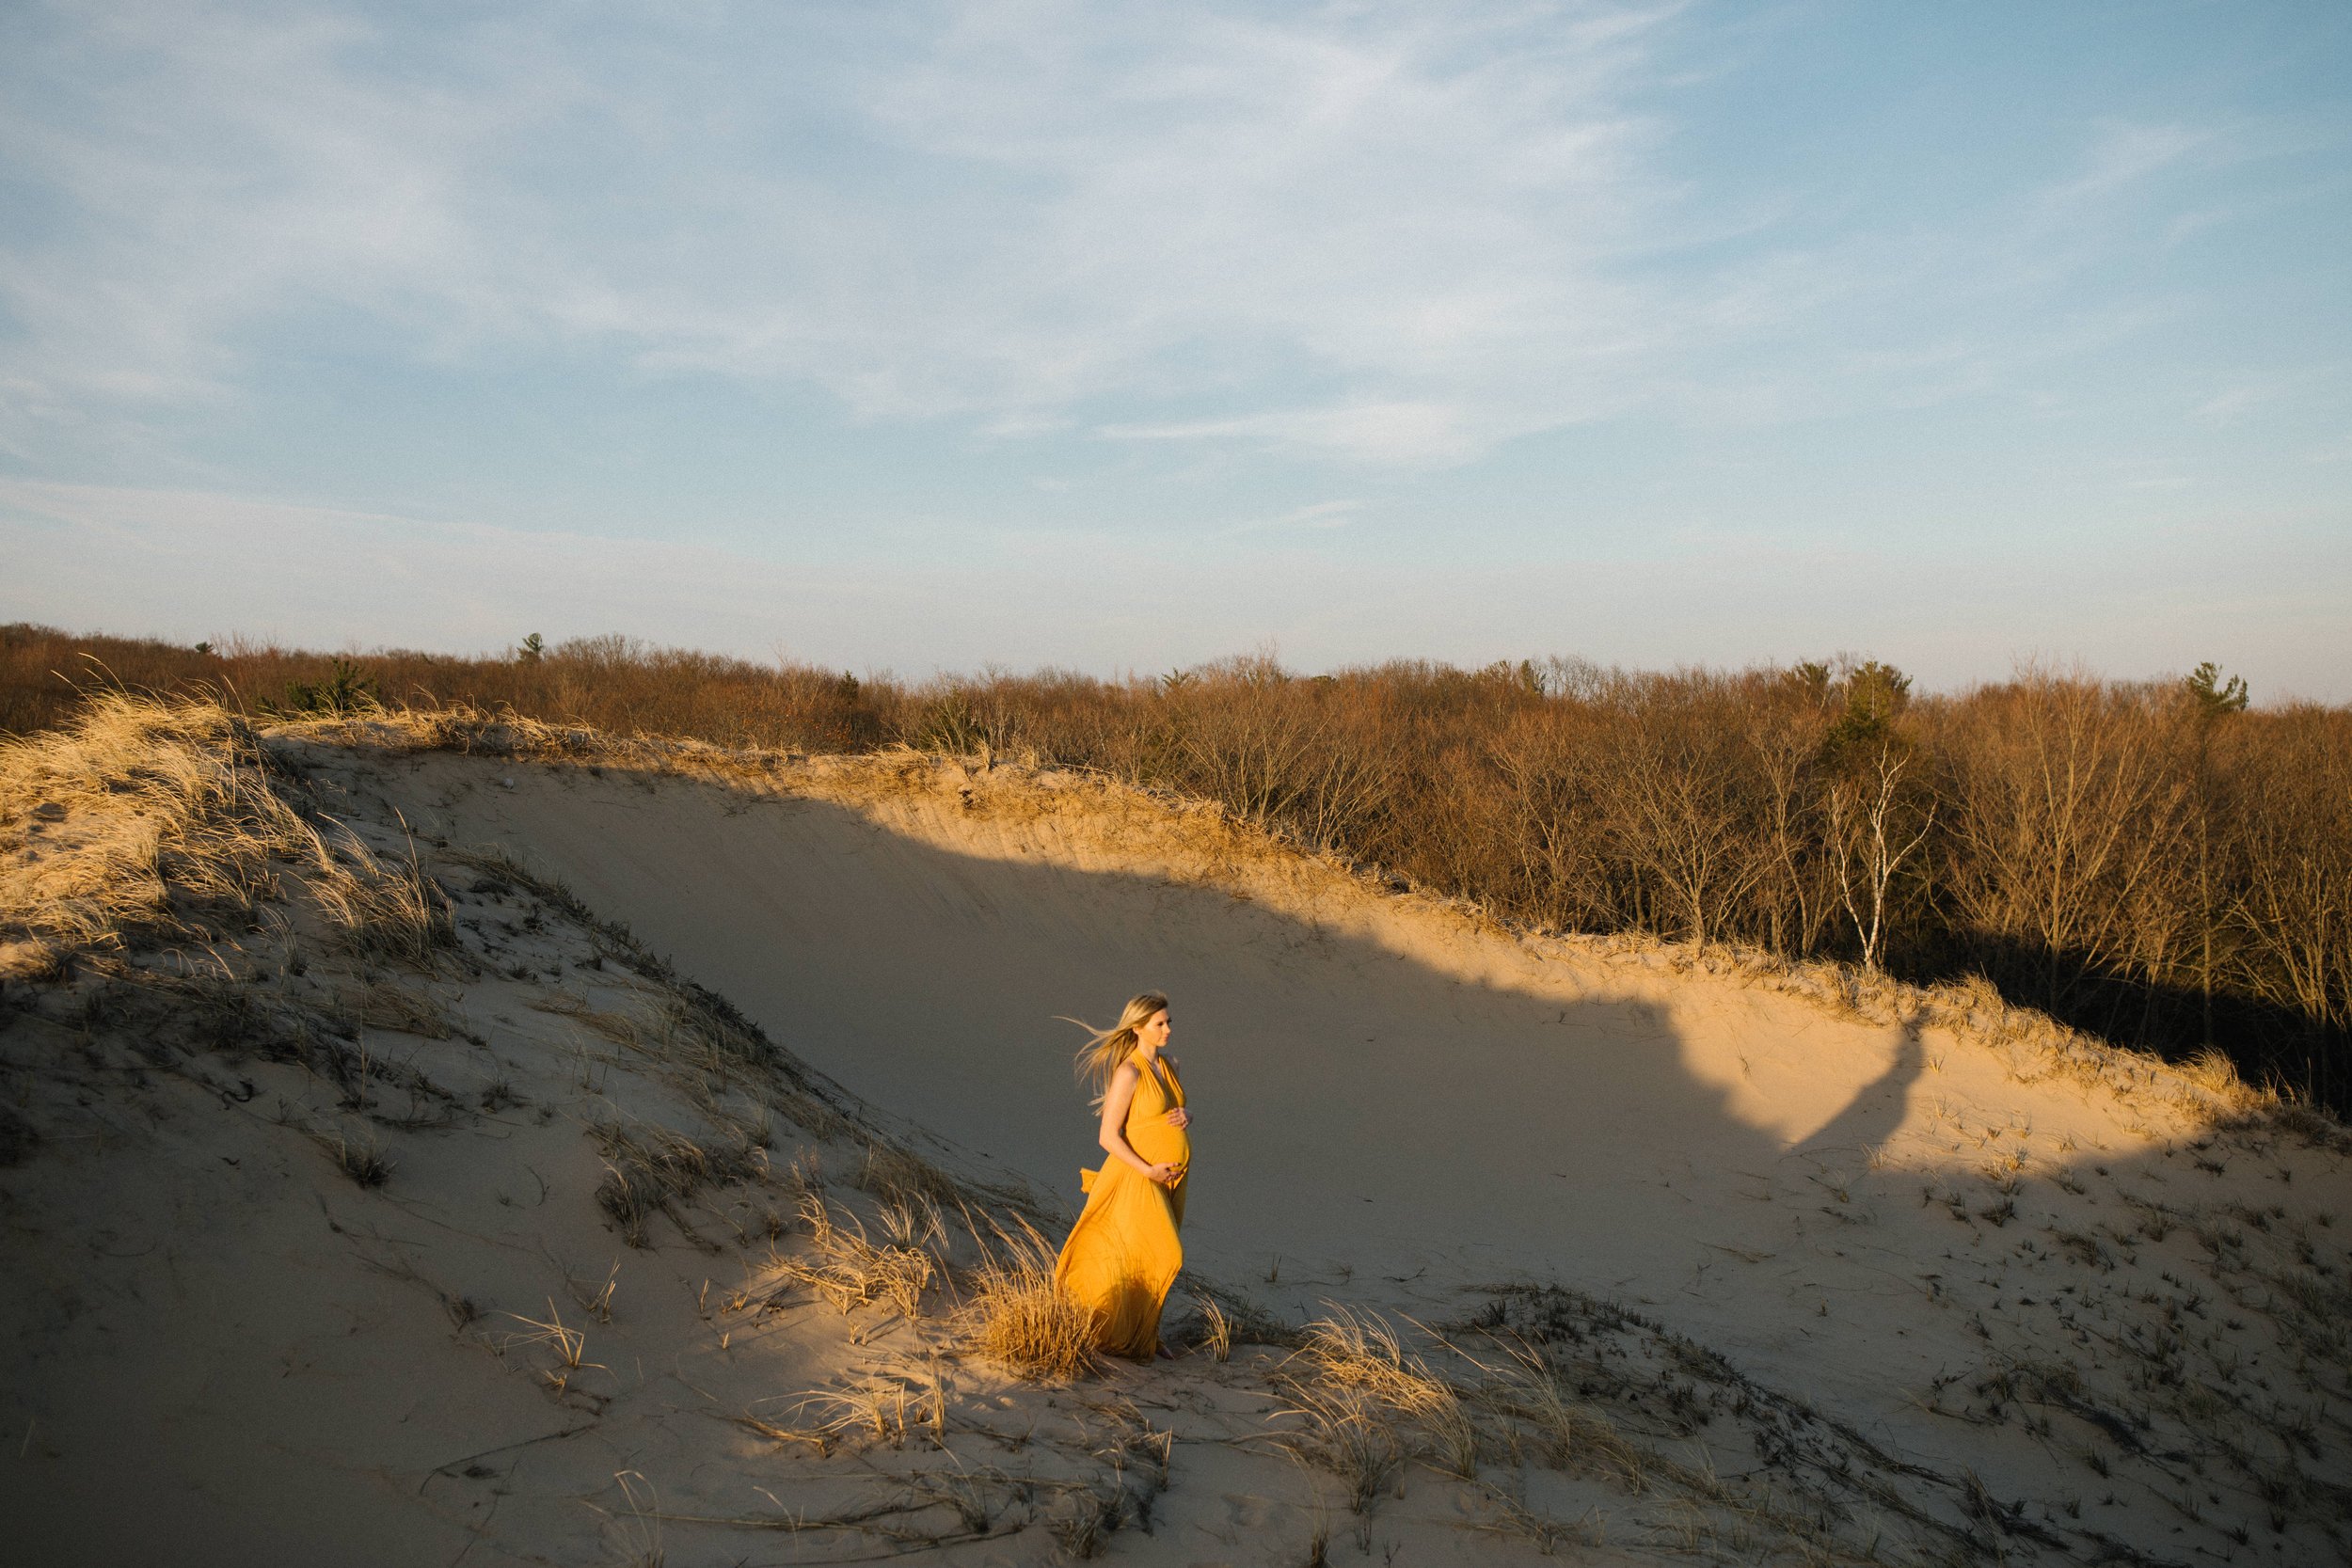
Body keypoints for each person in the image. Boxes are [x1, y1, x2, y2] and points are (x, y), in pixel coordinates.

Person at [1052, 990, 1192, 1359]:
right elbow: (1107, 1137)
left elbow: (1171, 1113)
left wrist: (1186, 1116)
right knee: (1169, 1254)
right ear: (1138, 1028)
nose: (1168, 1029)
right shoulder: (1128, 1072)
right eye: (1159, 1024)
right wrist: (1148, 1169)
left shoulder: (1170, 1064)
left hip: (1171, 1180)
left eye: (1168, 1022)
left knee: (1144, 1257)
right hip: (1137, 1176)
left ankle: (1144, 1333)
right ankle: (1102, 1327)